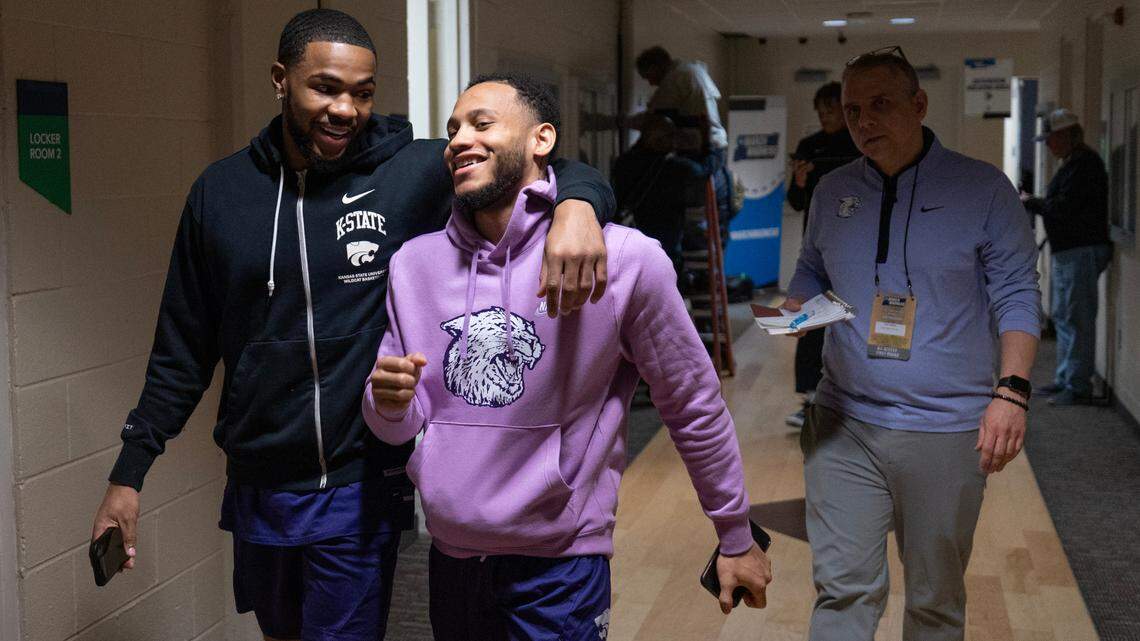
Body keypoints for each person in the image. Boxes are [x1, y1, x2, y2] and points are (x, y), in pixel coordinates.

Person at [89, 9, 615, 641]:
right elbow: (181, 349)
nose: (346, 109)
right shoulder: (220, 195)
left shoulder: (412, 173)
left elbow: (541, 164)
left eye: (362, 93)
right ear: (281, 80)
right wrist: (128, 473)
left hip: (358, 482)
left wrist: (580, 205)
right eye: (327, 88)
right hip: (258, 483)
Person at [363, 73, 771, 639]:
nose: (458, 139)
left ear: (542, 139)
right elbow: (398, 424)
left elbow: (693, 405)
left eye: (482, 124)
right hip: (451, 557)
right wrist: (386, 403)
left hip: (560, 564)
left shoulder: (625, 261)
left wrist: (735, 534)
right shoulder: (414, 264)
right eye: (453, 129)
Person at [786, 46, 1041, 641]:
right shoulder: (832, 190)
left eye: (880, 105)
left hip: (947, 429)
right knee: (843, 589)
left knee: (933, 602)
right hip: (843, 420)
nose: (864, 122)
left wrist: (1012, 392)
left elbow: (1017, 296)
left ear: (919, 105)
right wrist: (792, 312)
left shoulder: (983, 189)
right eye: (852, 111)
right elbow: (810, 271)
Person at [784, 81, 861, 428]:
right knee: (810, 320)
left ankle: (855, 397)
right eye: (821, 111)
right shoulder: (809, 146)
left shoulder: (860, 143)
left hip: (857, 245)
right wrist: (800, 183)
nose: (825, 116)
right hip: (817, 246)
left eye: (832, 109)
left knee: (853, 320)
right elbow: (796, 203)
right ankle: (810, 399)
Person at [1022, 108, 1111, 406]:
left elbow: (1064, 208)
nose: (1048, 145)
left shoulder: (1085, 166)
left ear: (1066, 136)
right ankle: (1065, 379)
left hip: (1080, 251)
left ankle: (1077, 386)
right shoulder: (1072, 164)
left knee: (1077, 319)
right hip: (1068, 252)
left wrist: (1032, 202)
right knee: (1064, 316)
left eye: (1051, 139)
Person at [617, 46, 731, 274]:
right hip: (714, 150)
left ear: (656, 67)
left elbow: (654, 119)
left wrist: (618, 122)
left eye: (648, 77)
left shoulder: (675, 78)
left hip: (702, 153)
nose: (650, 84)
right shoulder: (694, 71)